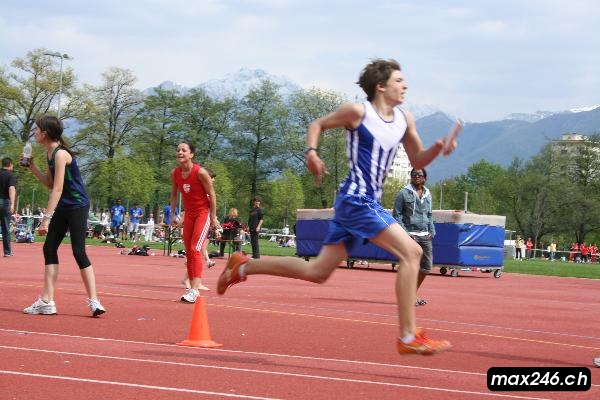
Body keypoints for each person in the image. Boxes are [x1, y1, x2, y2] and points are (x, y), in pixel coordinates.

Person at [217, 59, 455, 355]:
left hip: (362, 204)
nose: (405, 85)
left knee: (317, 271)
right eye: (398, 80)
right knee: (413, 252)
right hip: (356, 200)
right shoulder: (358, 112)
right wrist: (312, 153)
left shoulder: (405, 119)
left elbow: (418, 159)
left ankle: (243, 267)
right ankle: (407, 336)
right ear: (381, 86)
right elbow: (317, 124)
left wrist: (438, 149)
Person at [21, 115, 106, 316]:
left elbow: (57, 189)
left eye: (37, 129)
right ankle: (46, 301)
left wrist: (45, 219)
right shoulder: (50, 153)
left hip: (77, 206)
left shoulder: (60, 154)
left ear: (45, 133)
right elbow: (50, 183)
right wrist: (32, 167)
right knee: (49, 248)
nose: (34, 132)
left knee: (78, 251)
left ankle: (95, 301)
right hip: (64, 206)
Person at [170, 141, 220, 303]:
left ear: (191, 154)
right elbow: (174, 194)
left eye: (184, 150)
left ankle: (195, 290)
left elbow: (212, 195)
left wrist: (213, 217)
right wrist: (173, 214)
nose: (180, 152)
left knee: (195, 249)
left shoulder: (200, 172)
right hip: (189, 215)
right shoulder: (175, 173)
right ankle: (192, 288)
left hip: (202, 214)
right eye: (178, 150)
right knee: (189, 251)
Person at [392, 168, 435, 307]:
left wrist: (431, 231)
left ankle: (411, 294)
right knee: (411, 266)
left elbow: (429, 215)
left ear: (424, 178)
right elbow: (396, 215)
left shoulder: (428, 194)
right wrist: (406, 234)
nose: (416, 176)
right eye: (414, 174)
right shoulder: (403, 193)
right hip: (410, 235)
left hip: (425, 235)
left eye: (419, 175)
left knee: (426, 268)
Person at [0, 157, 17, 257]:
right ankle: (7, 252)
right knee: (6, 228)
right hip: (5, 202)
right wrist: (12, 203)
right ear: (10, 165)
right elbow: (11, 188)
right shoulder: (11, 176)